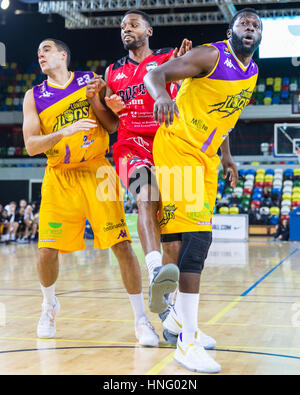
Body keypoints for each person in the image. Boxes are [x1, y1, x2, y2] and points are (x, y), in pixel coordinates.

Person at [144, 8, 262, 373]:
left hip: (206, 156)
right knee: (198, 242)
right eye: (243, 22)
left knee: (179, 240)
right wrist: (162, 96)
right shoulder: (212, 55)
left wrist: (227, 156)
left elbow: (224, 117)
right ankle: (187, 342)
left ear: (260, 37)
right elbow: (155, 73)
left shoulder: (252, 73)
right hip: (179, 144)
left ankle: (178, 319)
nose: (250, 27)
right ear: (231, 30)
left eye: (256, 25)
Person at [22, 38, 159, 347]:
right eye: (38, 51)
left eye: (46, 49)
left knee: (122, 245)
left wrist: (107, 103)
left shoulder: (90, 81)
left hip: (97, 171)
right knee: (46, 250)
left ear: (62, 54)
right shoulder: (34, 96)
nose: (40, 54)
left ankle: (140, 319)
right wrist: (62, 132)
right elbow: (31, 146)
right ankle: (49, 305)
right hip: (59, 176)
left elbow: (112, 126)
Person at [86, 9, 192, 316]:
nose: (125, 30)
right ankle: (155, 270)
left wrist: (184, 63)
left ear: (148, 31)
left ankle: (169, 311)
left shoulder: (168, 57)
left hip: (168, 144)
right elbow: (108, 124)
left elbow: (190, 89)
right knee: (146, 197)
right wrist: (103, 103)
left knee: (173, 233)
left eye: (133, 25)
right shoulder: (112, 71)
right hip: (131, 145)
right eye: (122, 27)